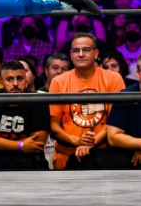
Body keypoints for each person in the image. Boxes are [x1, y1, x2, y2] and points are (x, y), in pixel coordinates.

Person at [49, 32, 125, 169]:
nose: (80, 54)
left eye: (86, 50)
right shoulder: (58, 82)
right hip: (67, 154)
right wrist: (77, 141)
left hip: (104, 154)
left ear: (96, 54)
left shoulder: (113, 78)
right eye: (76, 50)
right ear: (71, 55)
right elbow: (54, 126)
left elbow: (115, 121)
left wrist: (91, 144)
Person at [0, 60, 50, 169]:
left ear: (26, 82)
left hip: (28, 162)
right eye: (9, 79)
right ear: (2, 83)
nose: (15, 84)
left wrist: (0, 143)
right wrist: (20, 145)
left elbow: (37, 143)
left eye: (19, 78)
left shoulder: (38, 101)